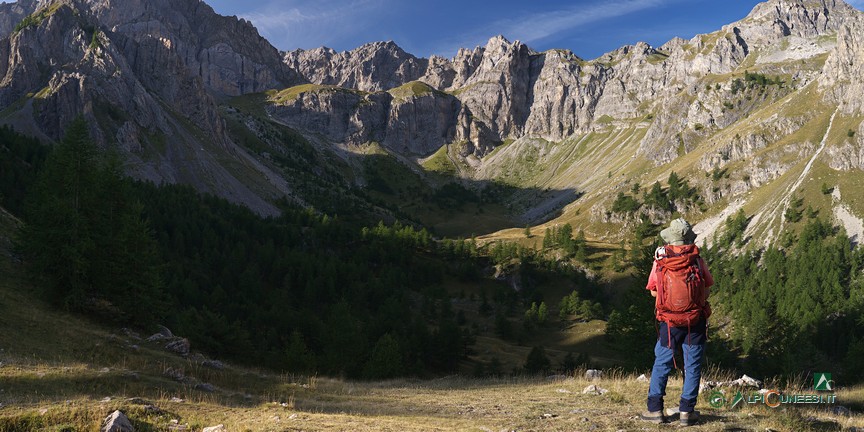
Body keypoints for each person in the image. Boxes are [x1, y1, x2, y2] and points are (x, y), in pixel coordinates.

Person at [640, 218, 713, 426]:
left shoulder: (661, 261)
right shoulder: (697, 260)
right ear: (689, 238)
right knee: (692, 366)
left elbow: (654, 291)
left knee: (662, 363)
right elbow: (707, 289)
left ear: (670, 238)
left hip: (669, 322)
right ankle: (686, 412)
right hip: (695, 322)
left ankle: (655, 410)